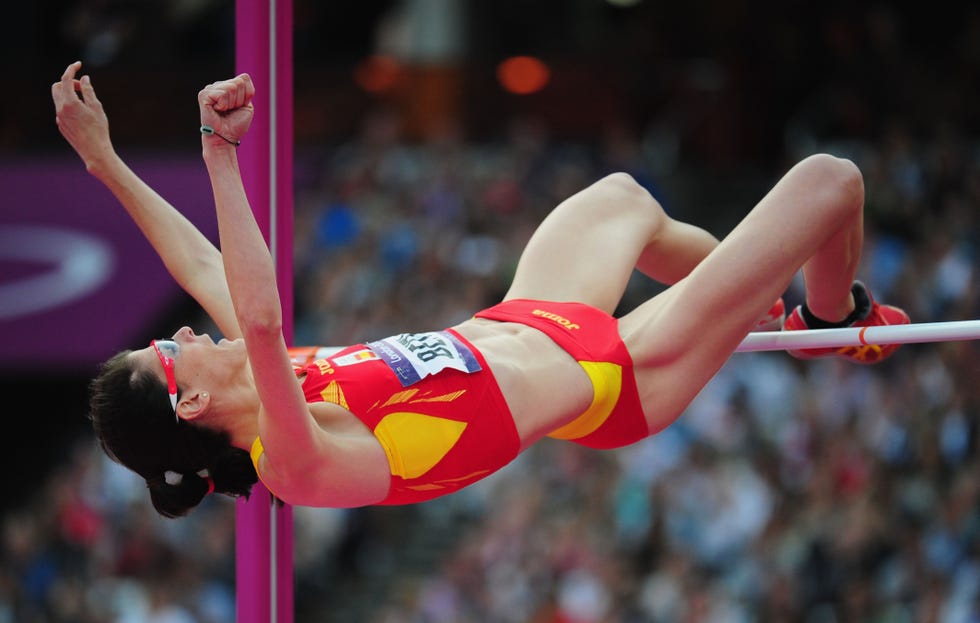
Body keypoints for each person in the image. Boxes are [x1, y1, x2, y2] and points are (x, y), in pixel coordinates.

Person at [52, 61, 909, 518]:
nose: (191, 334)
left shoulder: (300, 380)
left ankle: (758, 300)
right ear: (192, 399)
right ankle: (833, 318)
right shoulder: (296, 456)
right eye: (172, 350)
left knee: (619, 199)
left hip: (530, 315)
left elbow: (202, 267)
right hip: (617, 375)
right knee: (831, 182)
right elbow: (263, 317)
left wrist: (106, 164)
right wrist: (217, 155)